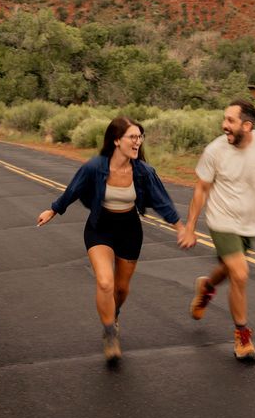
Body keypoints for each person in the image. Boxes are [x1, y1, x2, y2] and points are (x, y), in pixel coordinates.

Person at [37, 116, 190, 363]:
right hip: (100, 228)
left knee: (120, 288)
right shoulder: (95, 167)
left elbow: (162, 200)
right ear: (117, 140)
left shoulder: (143, 172)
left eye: (140, 137)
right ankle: (109, 332)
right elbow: (73, 189)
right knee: (105, 283)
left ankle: (114, 314)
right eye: (132, 136)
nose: (137, 141)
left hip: (129, 230)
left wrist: (180, 227)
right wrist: (53, 210)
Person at [181, 99, 255, 362]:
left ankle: (206, 287)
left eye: (230, 121)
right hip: (221, 220)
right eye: (224, 119)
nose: (224, 125)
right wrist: (190, 227)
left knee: (230, 267)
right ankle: (242, 336)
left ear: (247, 125)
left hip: (251, 222)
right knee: (240, 274)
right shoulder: (215, 150)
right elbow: (201, 189)